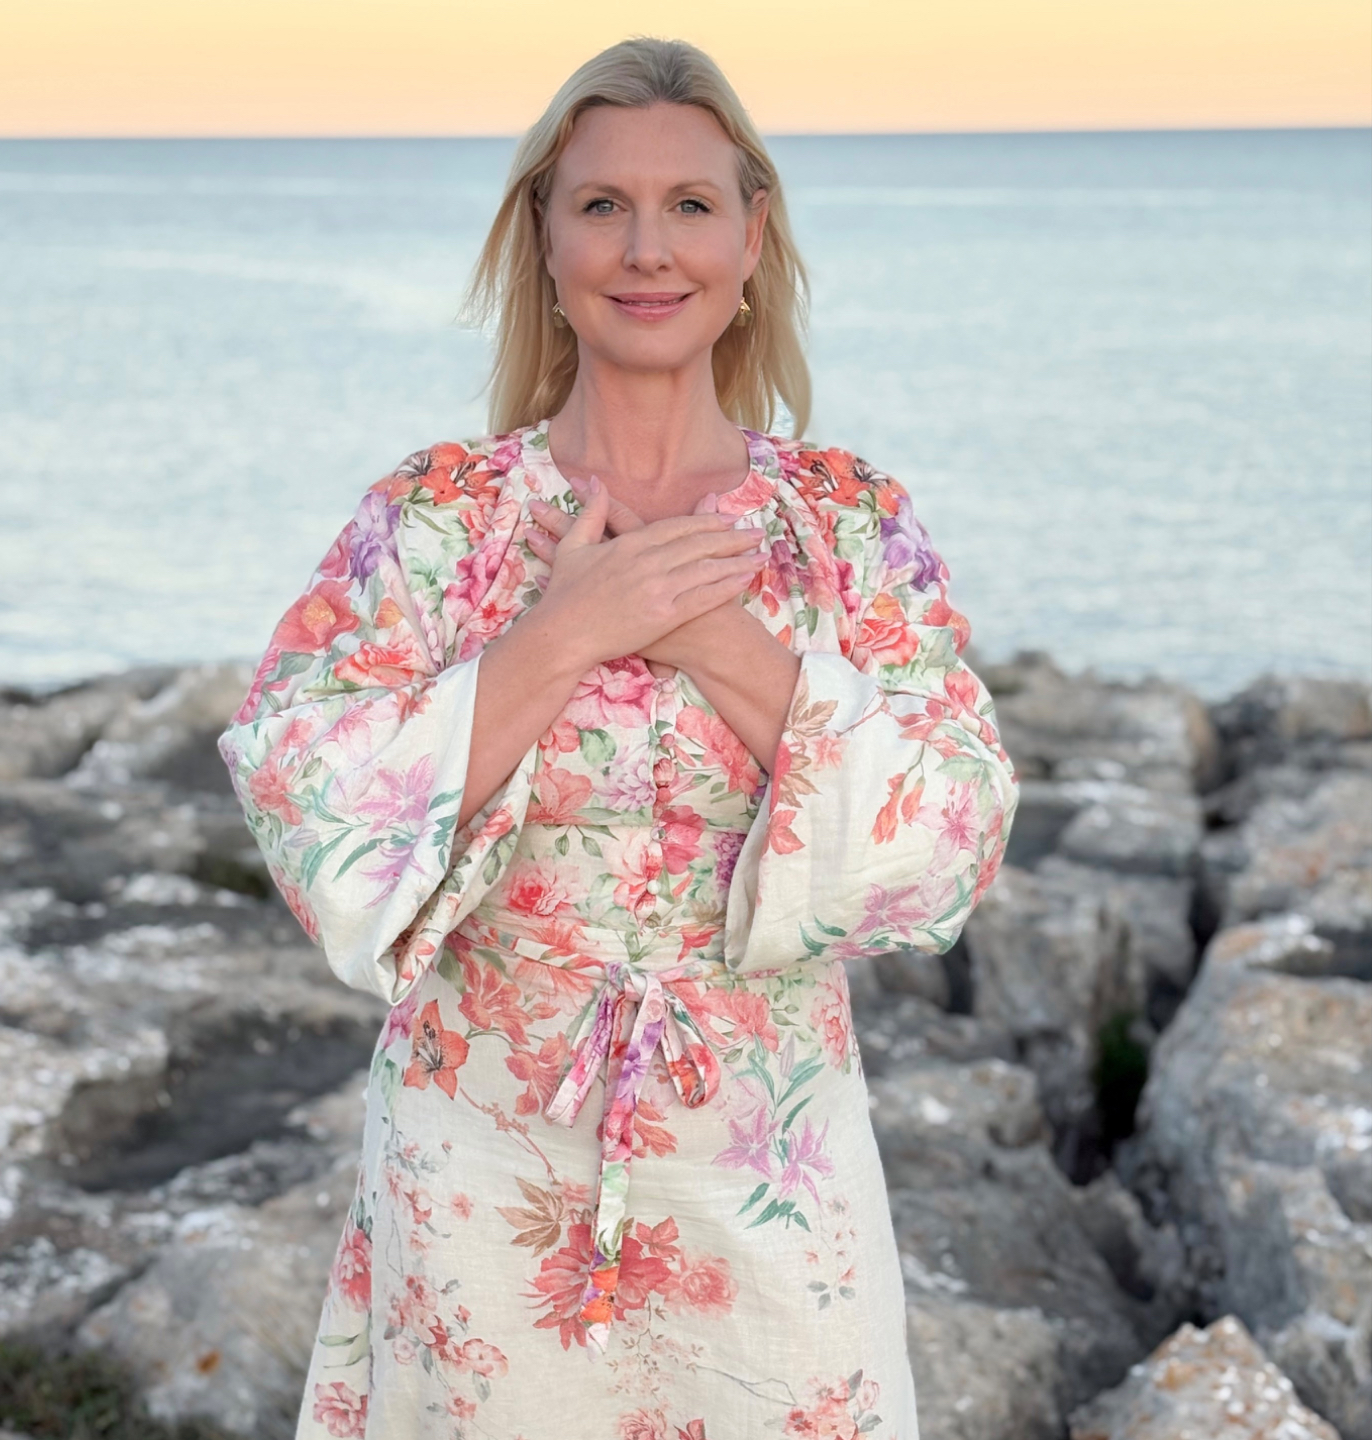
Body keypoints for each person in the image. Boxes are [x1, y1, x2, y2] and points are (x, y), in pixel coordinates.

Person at [220, 35, 1019, 1440]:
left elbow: (955, 833)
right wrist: (557, 636)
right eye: (601, 205)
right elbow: (299, 789)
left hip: (772, 1163)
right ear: (542, 237)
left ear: (753, 238)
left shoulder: (850, 525)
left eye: (692, 205)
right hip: (477, 1160)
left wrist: (718, 640)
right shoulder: (437, 519)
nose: (649, 249)